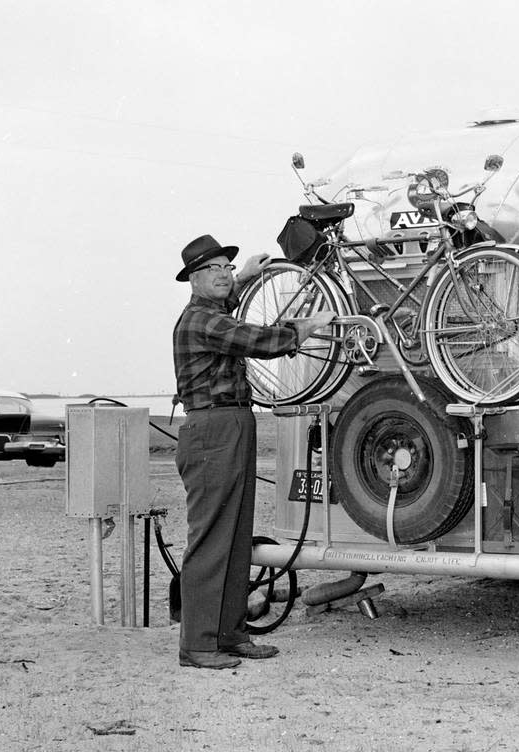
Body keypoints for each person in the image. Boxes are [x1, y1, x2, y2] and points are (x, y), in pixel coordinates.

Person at [172, 234, 335, 670]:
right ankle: (198, 644)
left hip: (233, 422)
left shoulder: (212, 311)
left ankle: (229, 634)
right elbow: (256, 339)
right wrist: (306, 326)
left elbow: (228, 310)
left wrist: (244, 280)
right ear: (193, 279)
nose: (223, 275)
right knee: (210, 541)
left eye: (227, 267)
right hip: (213, 428)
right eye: (213, 270)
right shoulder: (199, 320)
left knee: (236, 538)